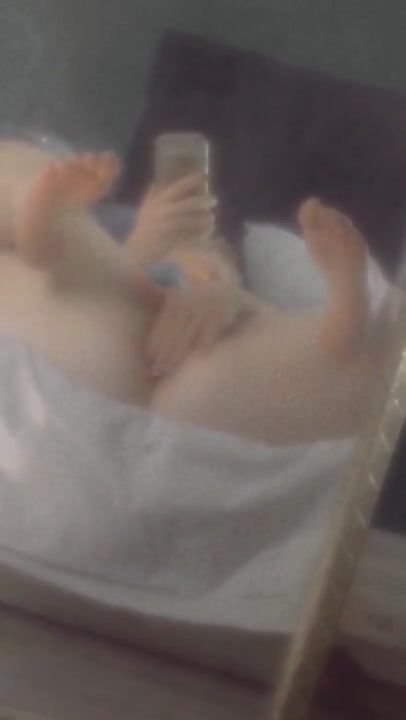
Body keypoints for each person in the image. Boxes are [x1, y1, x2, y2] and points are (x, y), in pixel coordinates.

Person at [0, 140, 385, 445]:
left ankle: (337, 333)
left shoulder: (105, 208)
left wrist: (217, 284)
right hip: (109, 308)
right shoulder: (88, 218)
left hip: (185, 333)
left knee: (241, 345)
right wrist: (141, 248)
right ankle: (338, 331)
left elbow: (213, 253)